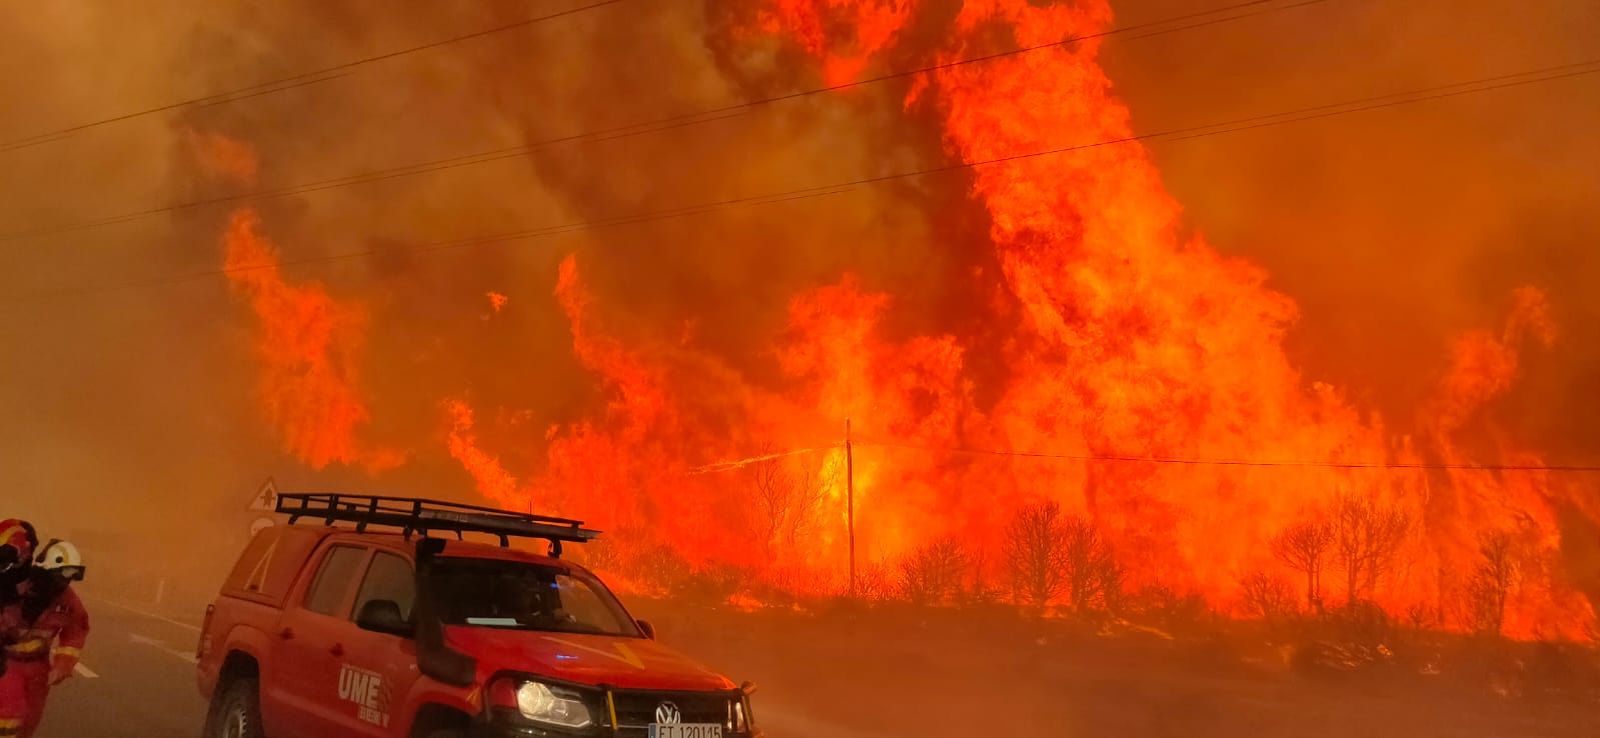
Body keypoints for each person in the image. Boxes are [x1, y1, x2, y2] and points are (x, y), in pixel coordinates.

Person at [0, 536, 88, 738]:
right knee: (10, 712)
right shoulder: (15, 586)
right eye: (60, 575)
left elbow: (76, 630)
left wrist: (63, 664)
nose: (64, 582)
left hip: (39, 668)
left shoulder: (68, 600)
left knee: (31, 718)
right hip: (7, 663)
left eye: (69, 576)